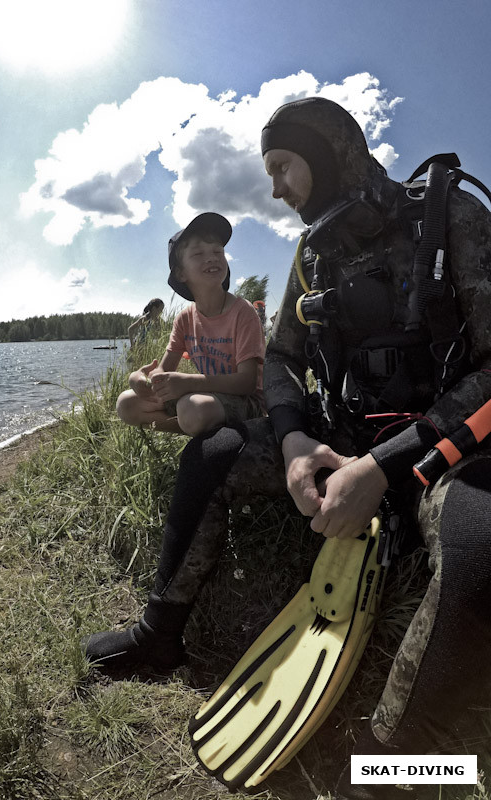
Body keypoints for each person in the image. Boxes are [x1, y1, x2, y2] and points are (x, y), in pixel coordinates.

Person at [84, 98, 491, 799]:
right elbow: (278, 360)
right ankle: (160, 633)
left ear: (326, 154)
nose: (274, 188)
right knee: (213, 453)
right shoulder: (312, 253)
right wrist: (298, 440)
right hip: (339, 441)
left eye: (281, 167)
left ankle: (395, 768)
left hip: (443, 450)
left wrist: (385, 467)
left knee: (481, 549)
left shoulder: (454, 219)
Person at [116, 212, 265, 436]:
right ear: (180, 273)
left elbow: (247, 383)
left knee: (191, 407)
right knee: (126, 403)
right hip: (204, 399)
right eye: (198, 253)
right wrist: (140, 378)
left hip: (248, 402)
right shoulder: (184, 319)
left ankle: (205, 429)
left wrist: (188, 383)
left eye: (218, 251)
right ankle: (199, 430)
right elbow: (164, 370)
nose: (212, 257)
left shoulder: (243, 312)